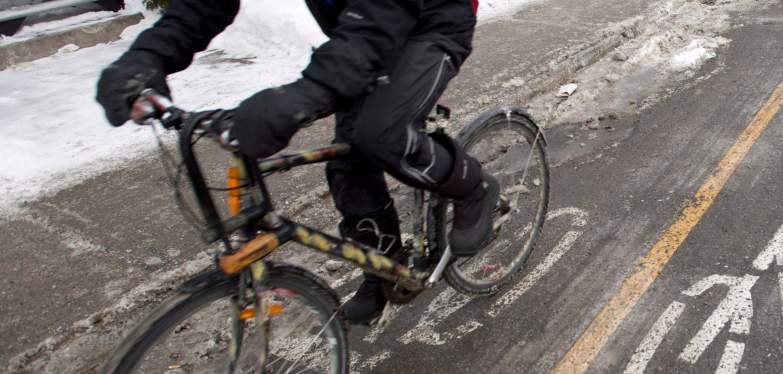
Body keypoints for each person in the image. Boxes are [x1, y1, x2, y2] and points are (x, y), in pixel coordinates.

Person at [96, 0, 498, 324]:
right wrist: (148, 57)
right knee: (348, 163)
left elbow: (381, 17)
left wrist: (307, 94)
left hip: (430, 21)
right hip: (359, 28)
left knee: (381, 136)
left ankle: (472, 186)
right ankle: (384, 266)